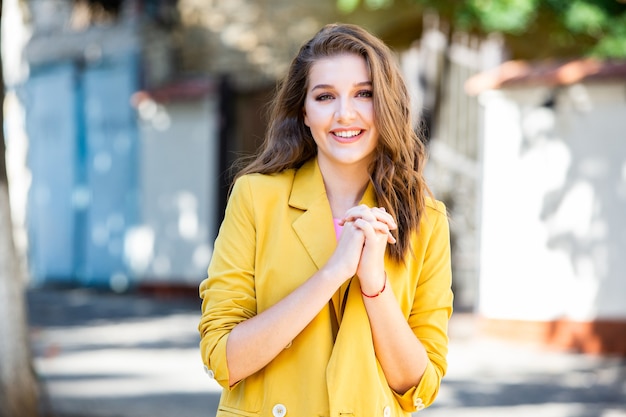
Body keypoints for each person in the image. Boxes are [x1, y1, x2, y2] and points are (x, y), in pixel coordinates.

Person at [198, 23, 453, 417]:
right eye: (325, 96)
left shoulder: (426, 219)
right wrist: (332, 273)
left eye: (364, 94)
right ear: (304, 110)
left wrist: (374, 285)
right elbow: (223, 359)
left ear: (386, 103)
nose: (344, 113)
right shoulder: (256, 198)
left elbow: (417, 387)